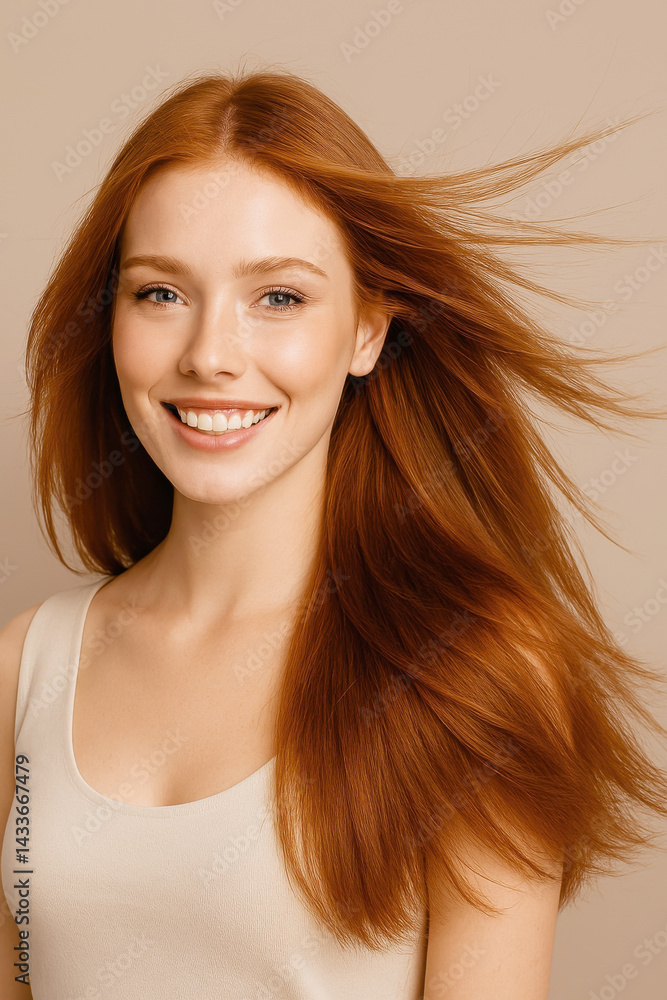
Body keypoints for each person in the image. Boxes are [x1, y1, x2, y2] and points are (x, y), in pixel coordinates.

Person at [2, 65, 667, 1000]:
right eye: (160, 294)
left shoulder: (468, 673)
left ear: (366, 332)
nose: (209, 355)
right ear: (108, 319)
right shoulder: (25, 669)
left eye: (278, 297)